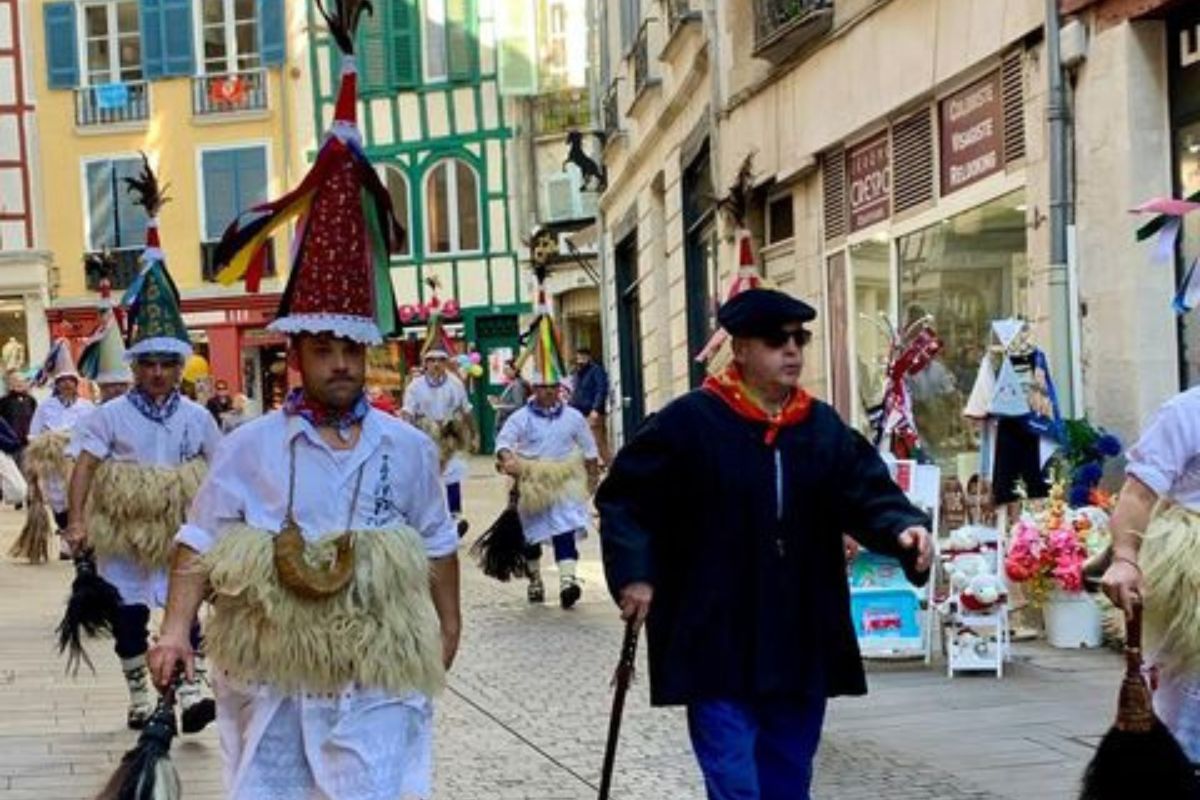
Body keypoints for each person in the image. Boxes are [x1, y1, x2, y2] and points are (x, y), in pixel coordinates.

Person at [148, 25, 460, 794]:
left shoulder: (408, 448)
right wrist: (174, 628)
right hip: (275, 681)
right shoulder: (251, 446)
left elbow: (436, 541)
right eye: (326, 351)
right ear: (298, 355)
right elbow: (198, 539)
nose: (344, 365)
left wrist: (447, 627)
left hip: (375, 675)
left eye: (353, 350)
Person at [597, 288, 933, 800]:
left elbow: (868, 491)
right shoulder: (690, 422)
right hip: (716, 630)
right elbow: (625, 498)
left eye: (800, 339)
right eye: (778, 341)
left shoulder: (819, 427)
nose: (793, 351)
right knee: (734, 780)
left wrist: (903, 529)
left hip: (798, 631)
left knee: (788, 777)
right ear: (742, 350)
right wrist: (636, 574)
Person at [65, 160, 221, 733]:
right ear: (135, 366)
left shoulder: (199, 418)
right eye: (148, 363)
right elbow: (83, 466)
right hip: (126, 535)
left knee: (188, 607)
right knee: (129, 614)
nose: (157, 372)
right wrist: (77, 521)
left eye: (166, 363)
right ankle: (138, 694)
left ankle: (193, 690)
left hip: (181, 533)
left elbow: (224, 472)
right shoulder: (107, 416)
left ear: (180, 365)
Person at [1100, 387, 1200, 767]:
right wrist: (1125, 557)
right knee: (1187, 719)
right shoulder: (1186, 412)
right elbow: (1137, 496)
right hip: (1194, 585)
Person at [495, 295, 599, 608]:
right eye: (543, 387)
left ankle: (568, 582)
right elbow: (503, 441)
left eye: (554, 386)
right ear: (534, 389)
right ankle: (536, 580)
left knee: (566, 525)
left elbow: (589, 448)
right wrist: (507, 459)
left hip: (565, 478)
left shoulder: (573, 417)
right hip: (531, 481)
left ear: (560, 388)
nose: (549, 392)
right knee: (531, 535)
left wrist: (592, 475)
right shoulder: (520, 417)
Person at [25, 341, 95, 550]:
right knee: (57, 499)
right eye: (62, 381)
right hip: (54, 462)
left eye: (70, 381)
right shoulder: (46, 407)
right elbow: (33, 434)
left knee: (79, 496)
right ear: (57, 384)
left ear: (76, 383)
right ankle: (65, 534)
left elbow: (95, 434)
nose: (67, 385)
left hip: (78, 461)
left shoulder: (88, 407)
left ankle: (79, 536)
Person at [402, 348, 475, 537]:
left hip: (451, 436)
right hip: (425, 436)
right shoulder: (415, 386)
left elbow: (466, 410)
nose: (436, 364)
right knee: (427, 479)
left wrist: (473, 435)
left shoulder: (455, 383)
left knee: (453, 474)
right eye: (431, 360)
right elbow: (408, 413)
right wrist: (405, 439)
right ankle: (428, 520)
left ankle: (455, 517)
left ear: (446, 363)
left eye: (440, 360)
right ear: (425, 363)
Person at [569, 347, 612, 466]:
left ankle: (613, 468)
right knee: (581, 444)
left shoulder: (596, 370)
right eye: (578, 357)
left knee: (598, 442)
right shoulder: (577, 373)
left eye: (583, 357)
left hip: (592, 412)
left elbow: (601, 390)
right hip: (579, 413)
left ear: (588, 357)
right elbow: (575, 392)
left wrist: (596, 408)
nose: (580, 360)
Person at [0, 368, 37, 460]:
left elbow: (36, 420)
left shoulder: (31, 401)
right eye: (15, 380)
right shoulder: (3, 402)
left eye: (22, 380)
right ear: (8, 384)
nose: (19, 383)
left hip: (28, 444)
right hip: (9, 445)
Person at [490, 359, 529, 433]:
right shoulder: (512, 383)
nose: (504, 372)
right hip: (505, 424)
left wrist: (500, 407)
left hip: (509, 425)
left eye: (507, 369)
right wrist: (498, 401)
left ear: (515, 370)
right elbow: (509, 401)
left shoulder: (517, 385)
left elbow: (518, 406)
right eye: (504, 369)